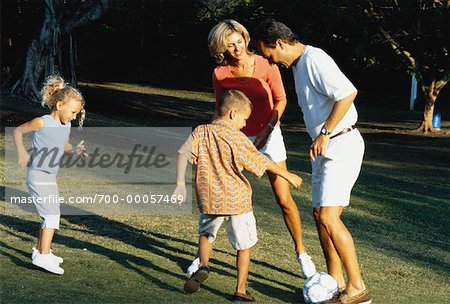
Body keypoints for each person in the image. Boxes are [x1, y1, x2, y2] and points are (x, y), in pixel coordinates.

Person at [186, 19, 316, 279]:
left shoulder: (266, 64)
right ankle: (203, 259)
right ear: (220, 48)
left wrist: (267, 129)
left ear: (245, 39)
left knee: (283, 199)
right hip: (235, 138)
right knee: (220, 194)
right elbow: (220, 111)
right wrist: (202, 140)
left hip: (269, 133)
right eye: (229, 45)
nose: (236, 48)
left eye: (238, 42)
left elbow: (281, 99)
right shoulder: (220, 74)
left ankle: (302, 253)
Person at [254, 19, 371, 304]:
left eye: (269, 54)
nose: (270, 61)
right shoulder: (297, 67)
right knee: (320, 217)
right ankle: (336, 283)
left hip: (341, 143)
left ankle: (358, 289)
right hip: (325, 148)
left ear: (279, 43)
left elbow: (347, 93)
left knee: (329, 217)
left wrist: (325, 133)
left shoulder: (314, 59)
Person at [173, 90, 302, 301]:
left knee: (206, 235)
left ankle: (203, 265)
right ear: (233, 114)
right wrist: (286, 175)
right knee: (244, 245)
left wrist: (180, 184)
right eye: (244, 119)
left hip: (210, 197)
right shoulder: (238, 138)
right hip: (237, 199)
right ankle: (240, 290)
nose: (244, 125)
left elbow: (182, 153)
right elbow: (262, 162)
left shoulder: (201, 131)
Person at [13, 75, 87, 275]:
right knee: (52, 215)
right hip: (38, 175)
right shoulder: (41, 122)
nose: (74, 116)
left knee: (50, 215)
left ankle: (41, 251)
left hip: (49, 177)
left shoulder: (66, 125)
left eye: (77, 113)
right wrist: (21, 152)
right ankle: (43, 257)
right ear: (60, 104)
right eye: (72, 112)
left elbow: (64, 145)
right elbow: (18, 131)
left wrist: (74, 150)